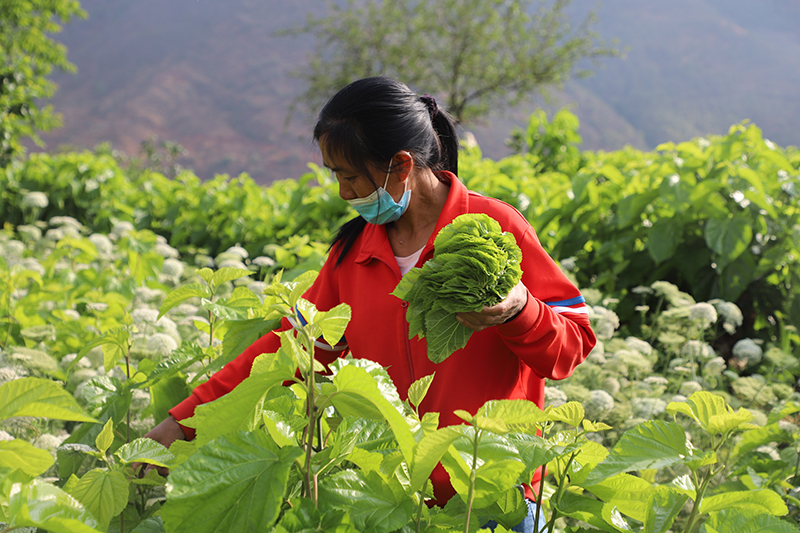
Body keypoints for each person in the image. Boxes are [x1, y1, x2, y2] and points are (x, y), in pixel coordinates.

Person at [142, 76, 596, 532]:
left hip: (493, 497)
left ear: (400, 165)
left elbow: (574, 342)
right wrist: (185, 420)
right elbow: (290, 348)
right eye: (335, 174)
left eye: (349, 175)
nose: (342, 191)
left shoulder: (493, 229)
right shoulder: (351, 255)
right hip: (389, 497)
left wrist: (520, 309)